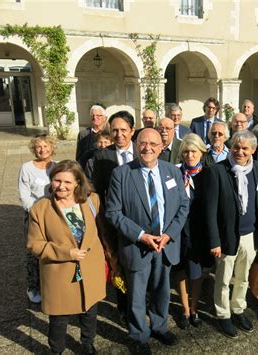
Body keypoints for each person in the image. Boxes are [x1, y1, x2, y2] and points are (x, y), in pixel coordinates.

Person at [106, 128, 189, 352]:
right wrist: (142, 236)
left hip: (165, 244)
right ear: (136, 145)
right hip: (136, 246)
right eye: (143, 143)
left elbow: (183, 205)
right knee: (136, 295)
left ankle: (159, 327)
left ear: (162, 147)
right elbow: (113, 213)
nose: (148, 148)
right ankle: (139, 336)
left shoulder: (172, 171)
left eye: (153, 143)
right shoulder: (121, 174)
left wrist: (169, 234)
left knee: (162, 291)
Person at [27, 160, 106, 354]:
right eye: (56, 180)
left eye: (67, 182)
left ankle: (87, 344)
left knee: (89, 311)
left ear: (78, 182)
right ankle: (56, 350)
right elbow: (34, 244)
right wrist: (66, 253)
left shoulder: (91, 200)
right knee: (59, 318)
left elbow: (101, 231)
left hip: (89, 269)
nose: (61, 186)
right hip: (59, 273)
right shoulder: (40, 208)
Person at [204, 130, 258, 338]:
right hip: (226, 237)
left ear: (253, 150)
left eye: (244, 148)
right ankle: (223, 314)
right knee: (222, 279)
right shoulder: (218, 171)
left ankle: (238, 308)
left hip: (250, 236)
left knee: (243, 277)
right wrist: (214, 240)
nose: (239, 152)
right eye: (236, 147)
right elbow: (210, 210)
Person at [92, 110, 138, 324]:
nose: (119, 135)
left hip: (142, 219)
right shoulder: (102, 156)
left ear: (132, 131)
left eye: (123, 130)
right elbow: (98, 191)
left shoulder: (143, 150)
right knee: (120, 262)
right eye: (115, 130)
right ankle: (124, 306)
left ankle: (144, 302)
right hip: (115, 221)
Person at [175, 134, 214, 329]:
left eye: (194, 151)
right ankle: (184, 309)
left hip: (198, 232)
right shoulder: (174, 173)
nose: (190, 155)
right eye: (186, 152)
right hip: (178, 232)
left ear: (202, 152)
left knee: (196, 272)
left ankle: (195, 307)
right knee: (181, 270)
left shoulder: (208, 174)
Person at [18, 134, 57, 303]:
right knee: (34, 252)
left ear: (52, 148)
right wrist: (35, 210)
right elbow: (24, 193)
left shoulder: (57, 166)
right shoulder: (27, 168)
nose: (43, 150)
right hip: (34, 215)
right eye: (39, 147)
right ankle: (33, 287)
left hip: (54, 214)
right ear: (34, 149)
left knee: (53, 250)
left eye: (46, 146)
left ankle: (51, 285)